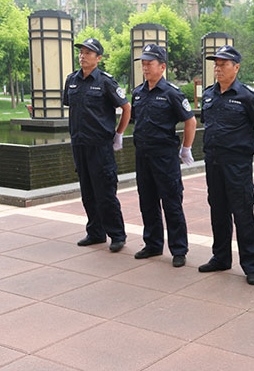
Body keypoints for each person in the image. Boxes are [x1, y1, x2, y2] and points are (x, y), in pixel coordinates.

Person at [198, 45, 254, 285]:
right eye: (216, 64)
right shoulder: (209, 95)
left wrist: (246, 147)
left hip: (237, 165)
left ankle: (251, 265)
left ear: (236, 67)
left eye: (223, 64)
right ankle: (220, 257)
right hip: (213, 162)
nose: (218, 68)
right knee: (218, 211)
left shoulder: (247, 96)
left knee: (242, 213)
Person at [63, 38, 131, 253]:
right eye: (81, 52)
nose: (82, 56)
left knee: (105, 193)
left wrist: (118, 134)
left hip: (100, 146)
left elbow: (126, 108)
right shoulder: (71, 80)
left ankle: (117, 235)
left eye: (88, 53)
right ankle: (95, 232)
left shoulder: (105, 81)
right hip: (79, 144)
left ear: (98, 58)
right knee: (87, 191)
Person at [131, 44, 197, 268]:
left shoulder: (172, 93)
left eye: (149, 64)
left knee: (171, 202)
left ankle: (179, 249)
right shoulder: (138, 93)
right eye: (143, 64)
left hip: (164, 157)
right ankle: (152, 244)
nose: (145, 68)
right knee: (147, 200)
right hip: (143, 155)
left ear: (162, 67)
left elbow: (190, 121)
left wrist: (186, 148)